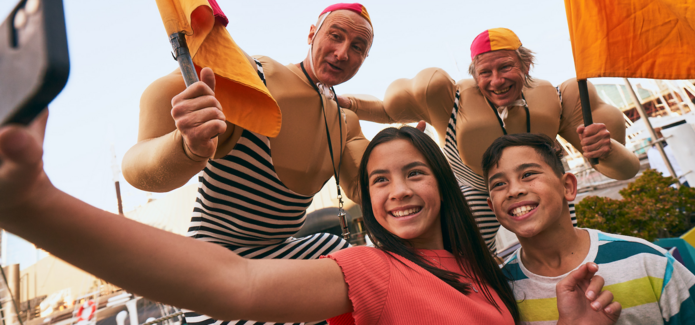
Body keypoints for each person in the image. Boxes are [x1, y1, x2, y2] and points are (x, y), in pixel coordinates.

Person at [0, 115, 623, 325]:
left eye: (414, 173)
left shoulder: (484, 270)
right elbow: (231, 282)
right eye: (378, 180)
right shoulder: (369, 267)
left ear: (442, 184)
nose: (397, 192)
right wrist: (38, 206)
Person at [121, 3, 373, 325]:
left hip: (280, 257)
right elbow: (136, 164)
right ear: (312, 34)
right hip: (214, 263)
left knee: (345, 254)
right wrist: (186, 147)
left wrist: (412, 154)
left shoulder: (344, 123)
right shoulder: (252, 77)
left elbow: (373, 186)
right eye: (335, 36)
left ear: (364, 58)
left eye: (357, 47)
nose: (341, 53)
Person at [338, 28, 640, 252]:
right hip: (474, 187)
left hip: (539, 185)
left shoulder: (559, 98)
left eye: (506, 67)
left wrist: (606, 148)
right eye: (486, 72)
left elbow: (624, 169)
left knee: (565, 250)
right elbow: (389, 109)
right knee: (465, 260)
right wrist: (348, 103)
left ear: (525, 66)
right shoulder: (450, 100)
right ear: (474, 75)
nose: (497, 81)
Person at [482, 133, 695, 324]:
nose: (514, 190)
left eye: (528, 174)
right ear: (492, 207)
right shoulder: (498, 292)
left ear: (568, 187)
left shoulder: (644, 260)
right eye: (498, 184)